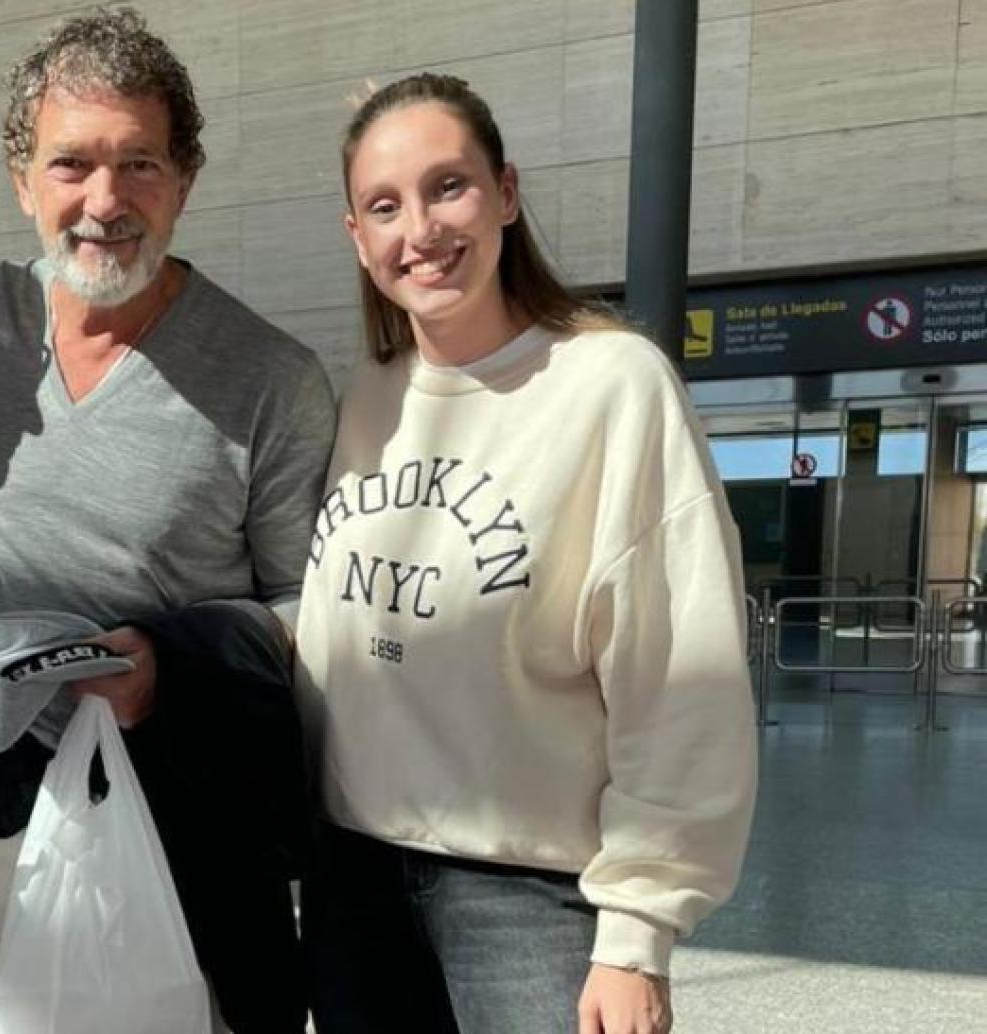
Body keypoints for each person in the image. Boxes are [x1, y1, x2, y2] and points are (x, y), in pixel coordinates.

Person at [293, 73, 757, 1034]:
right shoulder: (368, 394)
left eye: (448, 186)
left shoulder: (610, 384)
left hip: (529, 894)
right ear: (356, 238)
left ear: (506, 193)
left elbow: (678, 676)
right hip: (354, 883)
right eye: (386, 205)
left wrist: (637, 932)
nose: (420, 229)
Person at [0, 8, 337, 1033]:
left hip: (172, 800)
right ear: (22, 181)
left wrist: (168, 667)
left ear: (183, 179)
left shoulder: (271, 378)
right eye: (71, 165)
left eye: (138, 165)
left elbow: (303, 609)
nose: (104, 202)